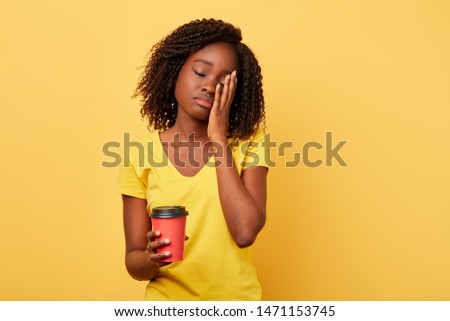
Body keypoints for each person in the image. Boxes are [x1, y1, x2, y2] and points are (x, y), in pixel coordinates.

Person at [118, 18, 268, 300]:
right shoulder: (139, 155)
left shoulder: (250, 142)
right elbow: (133, 260)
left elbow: (245, 232)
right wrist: (152, 259)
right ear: (175, 72)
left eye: (224, 82)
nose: (210, 86)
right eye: (200, 73)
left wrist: (218, 139)